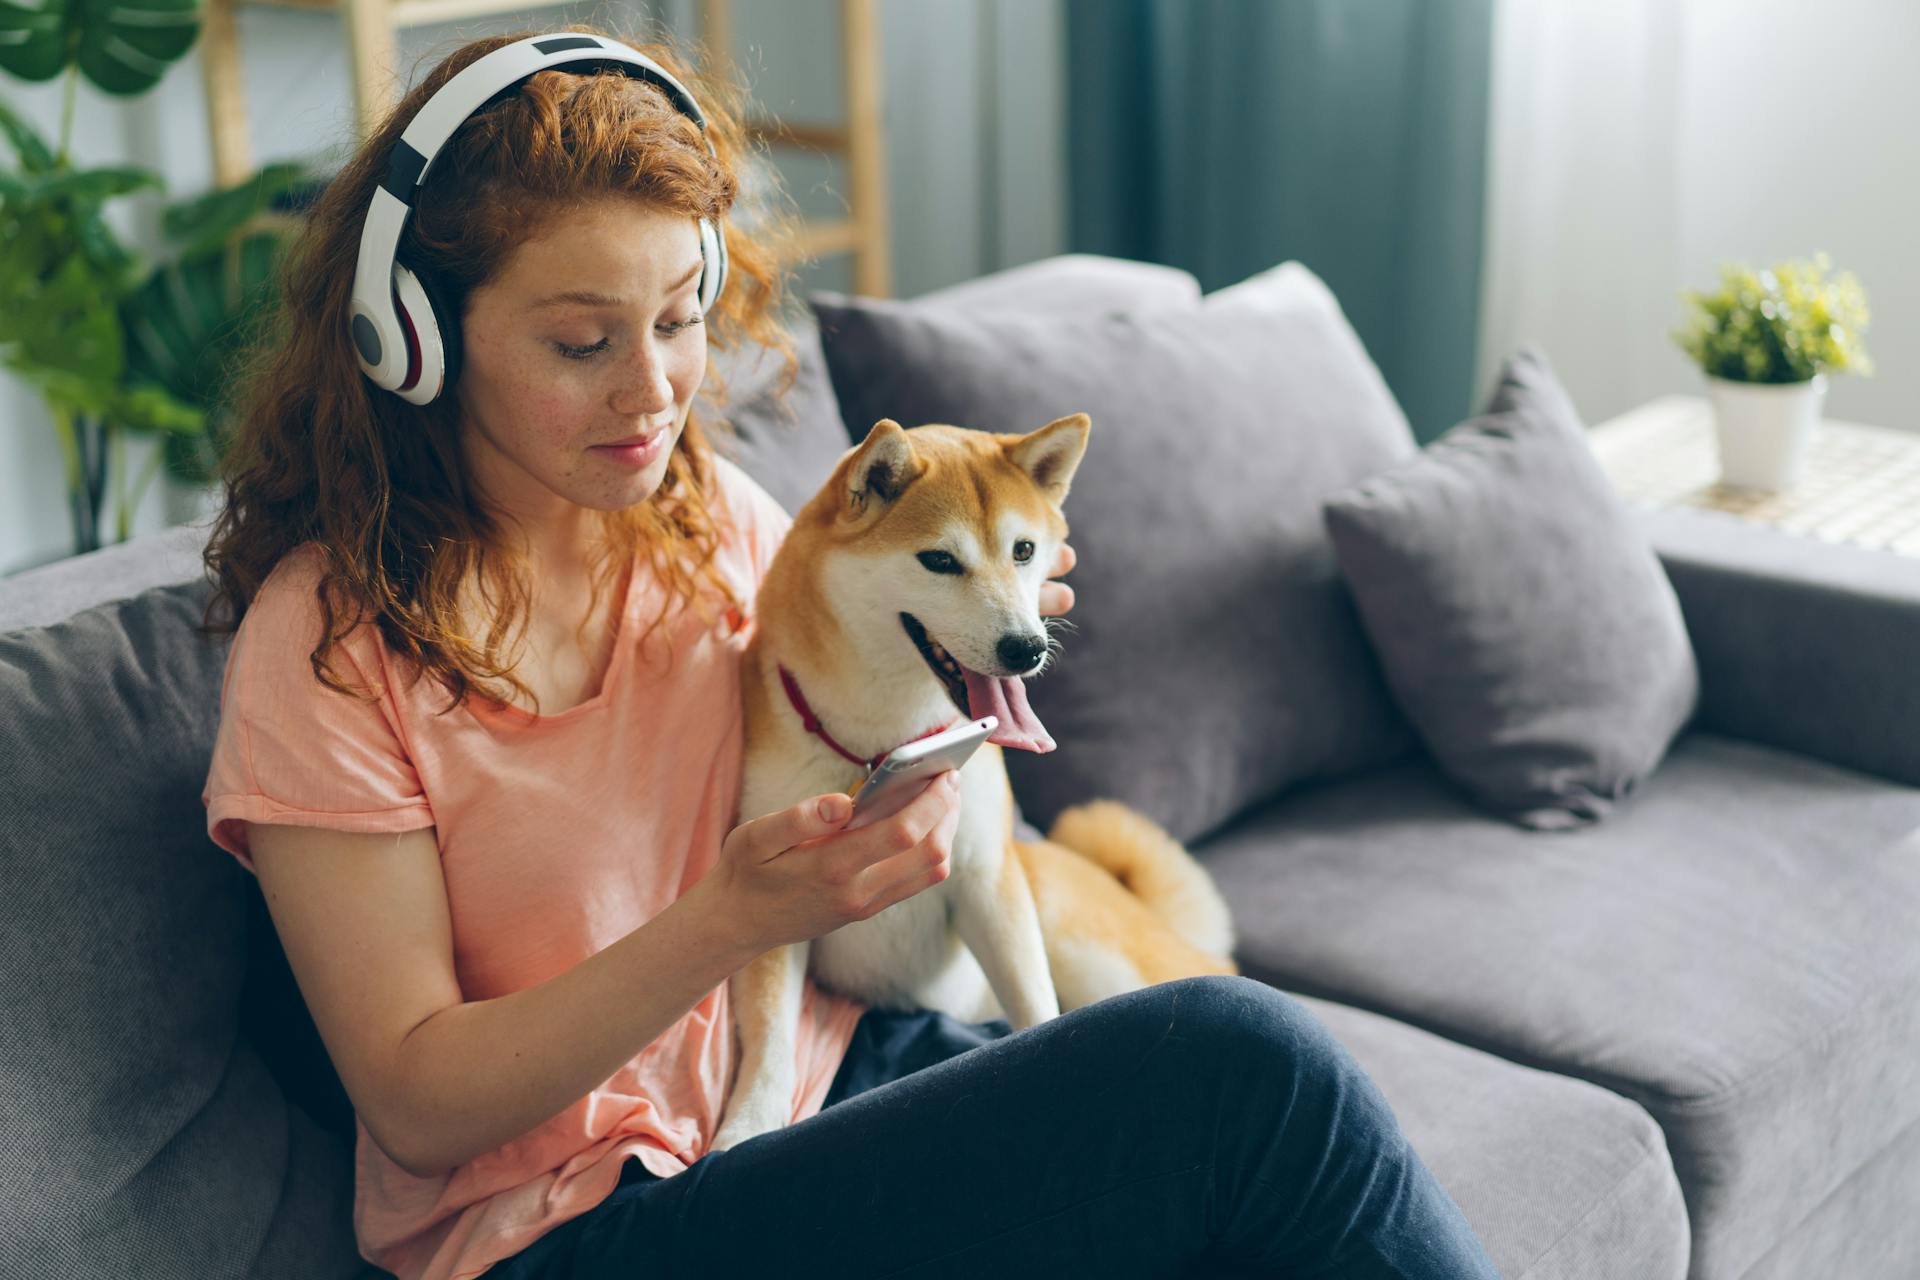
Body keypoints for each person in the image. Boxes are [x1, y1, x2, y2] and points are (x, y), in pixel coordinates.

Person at [196, 22, 1503, 1280]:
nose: (653, 389)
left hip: (827, 1085)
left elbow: (886, 697)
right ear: (408, 334)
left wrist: (984, 622)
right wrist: (729, 921)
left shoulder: (709, 526)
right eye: (581, 342)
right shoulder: (327, 651)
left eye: (677, 317)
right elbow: (418, 1101)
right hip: (573, 1230)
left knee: (1249, 1201)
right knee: (1243, 1067)